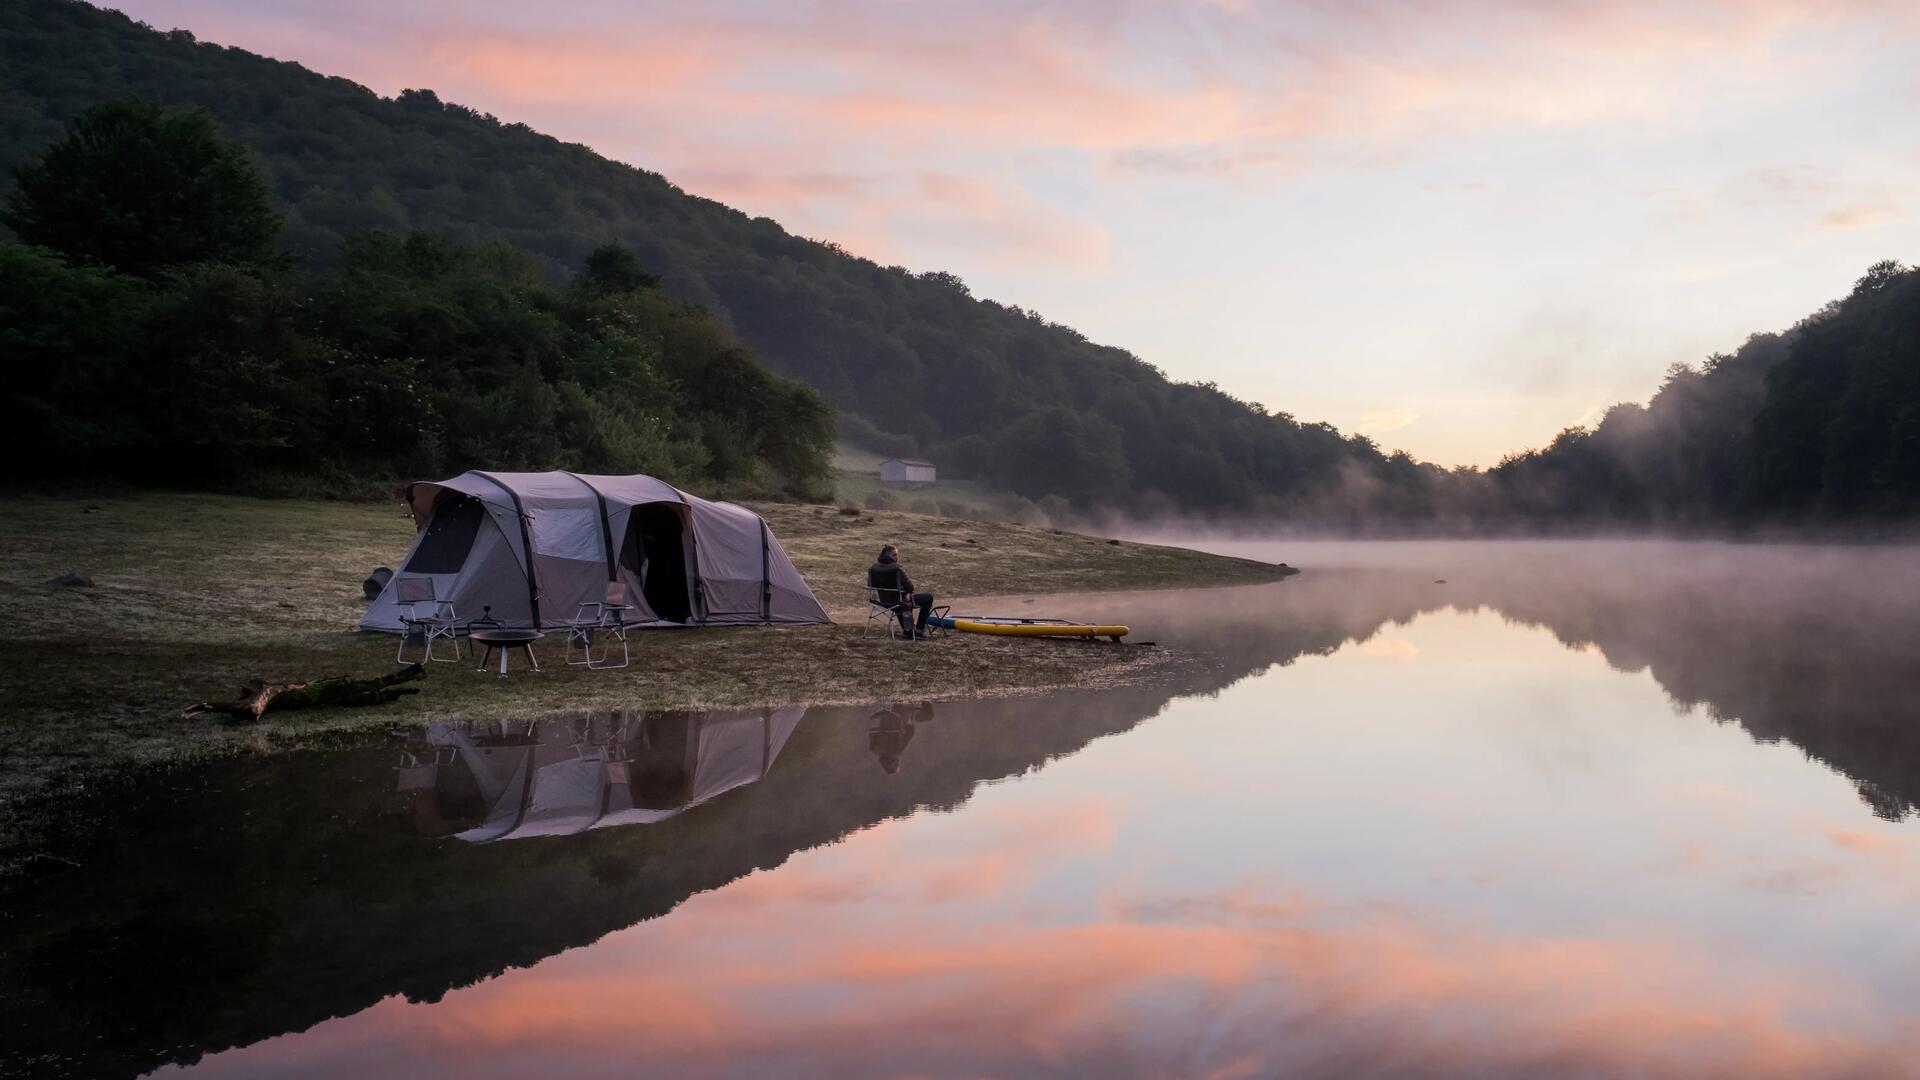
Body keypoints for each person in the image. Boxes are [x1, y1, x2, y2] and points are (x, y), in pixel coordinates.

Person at [868, 543, 935, 639]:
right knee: (927, 598)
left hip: (881, 601)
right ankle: (918, 629)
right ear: (887, 556)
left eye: (897, 554)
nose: (897, 557)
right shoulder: (897, 569)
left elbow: (871, 585)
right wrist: (907, 592)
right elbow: (910, 587)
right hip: (898, 602)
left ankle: (908, 630)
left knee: (902, 598)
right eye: (894, 555)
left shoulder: (873, 568)